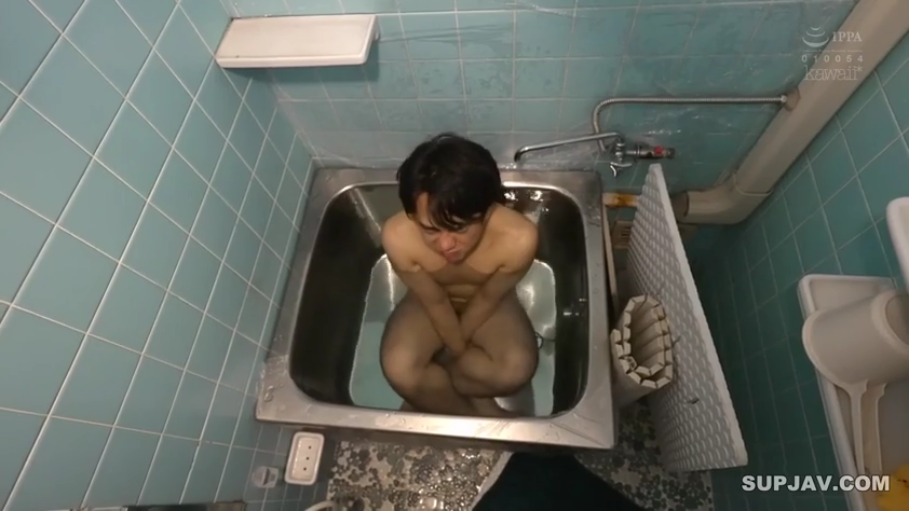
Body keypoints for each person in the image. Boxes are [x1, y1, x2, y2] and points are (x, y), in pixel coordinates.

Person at [379, 133, 539, 418]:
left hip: (491, 303)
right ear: (412, 216)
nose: (445, 245)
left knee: (516, 370)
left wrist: (456, 349)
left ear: (487, 211)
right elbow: (435, 301)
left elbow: (489, 297)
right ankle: (473, 412)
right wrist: (455, 345)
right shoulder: (398, 236)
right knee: (399, 369)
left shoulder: (518, 238)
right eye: (429, 229)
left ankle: (434, 391)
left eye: (459, 228)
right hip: (426, 304)